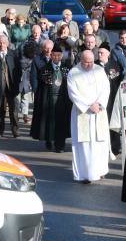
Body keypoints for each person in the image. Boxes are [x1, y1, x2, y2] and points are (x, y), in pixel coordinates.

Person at [66, 50, 110, 183]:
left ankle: (100, 170)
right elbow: (73, 93)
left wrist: (100, 103)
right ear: (81, 60)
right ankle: (85, 174)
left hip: (99, 111)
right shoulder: (73, 73)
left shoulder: (99, 70)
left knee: (99, 141)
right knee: (84, 143)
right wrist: (88, 105)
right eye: (86, 62)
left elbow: (106, 88)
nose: (89, 65)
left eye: (91, 62)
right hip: (82, 112)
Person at [30, 43, 71, 151]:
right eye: (54, 55)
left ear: (61, 56)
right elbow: (39, 85)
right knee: (50, 122)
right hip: (49, 100)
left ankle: (60, 145)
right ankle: (49, 140)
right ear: (51, 56)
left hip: (63, 100)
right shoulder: (45, 69)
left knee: (61, 123)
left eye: (58, 55)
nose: (56, 57)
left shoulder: (67, 68)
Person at [15, 40, 36, 125]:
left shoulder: (33, 57)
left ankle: (25, 115)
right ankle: (16, 115)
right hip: (19, 77)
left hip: (27, 78)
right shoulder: (19, 55)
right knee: (18, 98)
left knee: (25, 97)